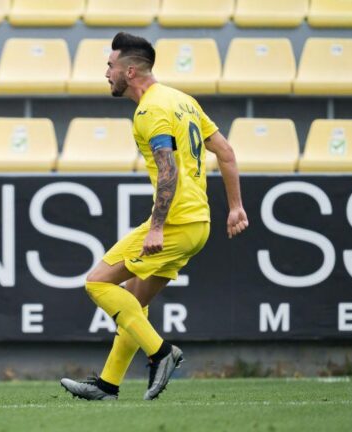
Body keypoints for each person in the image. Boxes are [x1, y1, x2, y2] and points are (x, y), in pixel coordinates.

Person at [60, 32, 249, 401]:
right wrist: (236, 207)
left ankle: (161, 353)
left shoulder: (150, 110)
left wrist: (158, 227)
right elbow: (225, 151)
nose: (106, 73)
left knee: (98, 283)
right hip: (199, 223)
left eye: (110, 66)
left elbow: (168, 171)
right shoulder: (182, 100)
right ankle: (108, 384)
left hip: (176, 223)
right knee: (135, 299)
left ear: (130, 71)